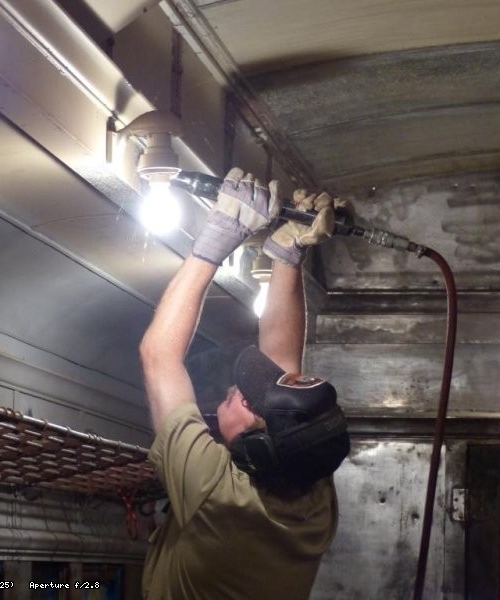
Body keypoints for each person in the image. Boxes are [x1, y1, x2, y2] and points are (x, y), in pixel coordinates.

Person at [139, 167, 351, 600]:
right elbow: (284, 362)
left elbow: (159, 357)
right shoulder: (309, 495)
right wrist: (288, 254)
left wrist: (214, 242)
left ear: (255, 452)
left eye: (246, 399)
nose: (235, 391)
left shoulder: (216, 497)